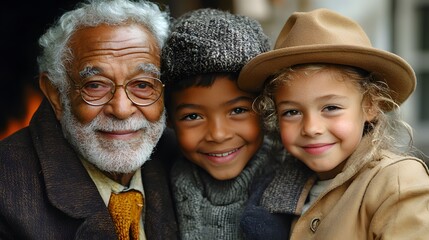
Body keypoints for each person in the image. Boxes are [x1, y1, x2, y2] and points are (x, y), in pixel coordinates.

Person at [238, 8, 429, 239]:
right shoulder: (277, 188)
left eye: (331, 108)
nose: (311, 128)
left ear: (370, 105)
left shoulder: (397, 180)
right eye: (291, 112)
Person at [0, 0, 179, 239]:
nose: (122, 109)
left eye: (143, 85)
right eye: (95, 85)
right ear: (56, 94)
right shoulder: (6, 188)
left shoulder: (183, 157)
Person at [161, 8, 283, 239]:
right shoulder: (159, 185)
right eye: (193, 116)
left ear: (265, 107)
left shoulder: (295, 178)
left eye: (237, 110)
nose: (218, 134)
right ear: (168, 120)